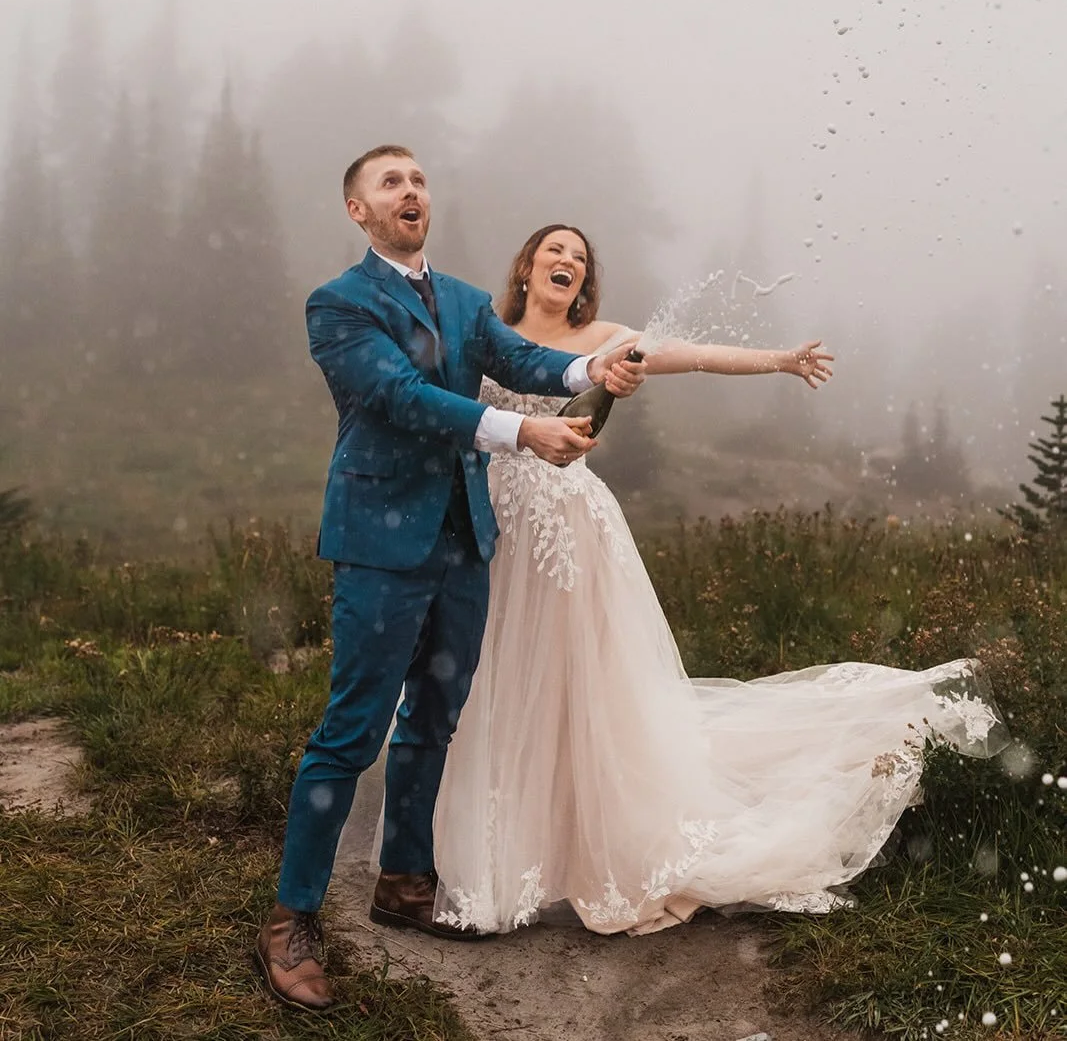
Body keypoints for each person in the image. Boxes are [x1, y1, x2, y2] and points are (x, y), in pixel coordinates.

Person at [429, 224, 1007, 936]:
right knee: (487, 664)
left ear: (585, 282)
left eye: (579, 257)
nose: (567, 262)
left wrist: (780, 360)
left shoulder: (608, 339)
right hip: (488, 522)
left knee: (578, 676)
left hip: (564, 528)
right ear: (526, 265)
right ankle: (488, 827)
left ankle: (587, 833)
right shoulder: (485, 329)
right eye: (555, 250)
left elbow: (693, 356)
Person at [254, 160, 645, 1012]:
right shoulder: (339, 303)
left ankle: (403, 880)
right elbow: (397, 396)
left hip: (466, 541)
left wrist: (592, 375)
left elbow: (526, 357)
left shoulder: (468, 301)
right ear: (358, 210)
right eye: (389, 182)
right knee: (352, 729)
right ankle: (292, 918)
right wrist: (521, 433)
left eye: (419, 179)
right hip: (379, 544)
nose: (410, 191)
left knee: (433, 719)